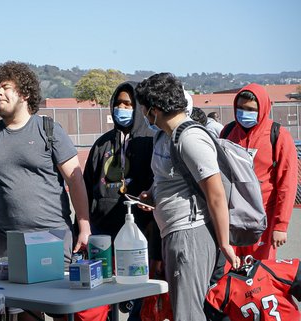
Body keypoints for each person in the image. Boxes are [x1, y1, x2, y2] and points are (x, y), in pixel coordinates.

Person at [0, 62, 92, 321]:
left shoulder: (48, 130)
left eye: (5, 88)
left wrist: (83, 225)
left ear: (25, 94)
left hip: (54, 241)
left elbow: (75, 180)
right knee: (23, 315)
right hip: (9, 244)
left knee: (62, 311)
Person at [135, 73, 240, 321]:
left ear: (155, 109)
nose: (142, 114)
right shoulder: (163, 135)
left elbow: (215, 194)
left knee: (188, 314)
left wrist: (225, 243)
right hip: (174, 232)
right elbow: (169, 177)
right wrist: (153, 194)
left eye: (142, 108)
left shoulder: (191, 138)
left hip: (190, 235)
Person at [83, 81, 162, 321]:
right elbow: (86, 185)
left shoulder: (151, 140)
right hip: (103, 232)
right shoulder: (102, 143)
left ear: (138, 107)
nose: (121, 108)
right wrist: (83, 224)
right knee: (103, 292)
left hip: (139, 234)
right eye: (118, 103)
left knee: (138, 294)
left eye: (128, 103)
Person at [221, 84, 298, 260]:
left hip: (263, 219)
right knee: (228, 273)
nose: (243, 113)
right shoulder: (227, 132)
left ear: (262, 108)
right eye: (240, 108)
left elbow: (287, 184)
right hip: (231, 218)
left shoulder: (278, 135)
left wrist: (280, 225)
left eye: (250, 109)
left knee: (259, 275)